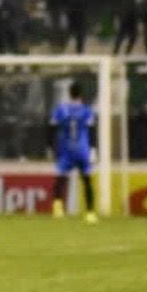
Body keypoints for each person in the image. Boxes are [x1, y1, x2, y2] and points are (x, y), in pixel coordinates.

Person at [50, 82, 98, 224]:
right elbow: (92, 130)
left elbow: (51, 128)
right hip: (82, 150)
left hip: (65, 149)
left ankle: (58, 208)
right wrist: (93, 149)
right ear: (80, 94)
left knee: (60, 179)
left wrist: (51, 147)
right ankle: (90, 213)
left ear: (69, 93)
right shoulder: (87, 110)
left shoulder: (61, 109)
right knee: (87, 180)